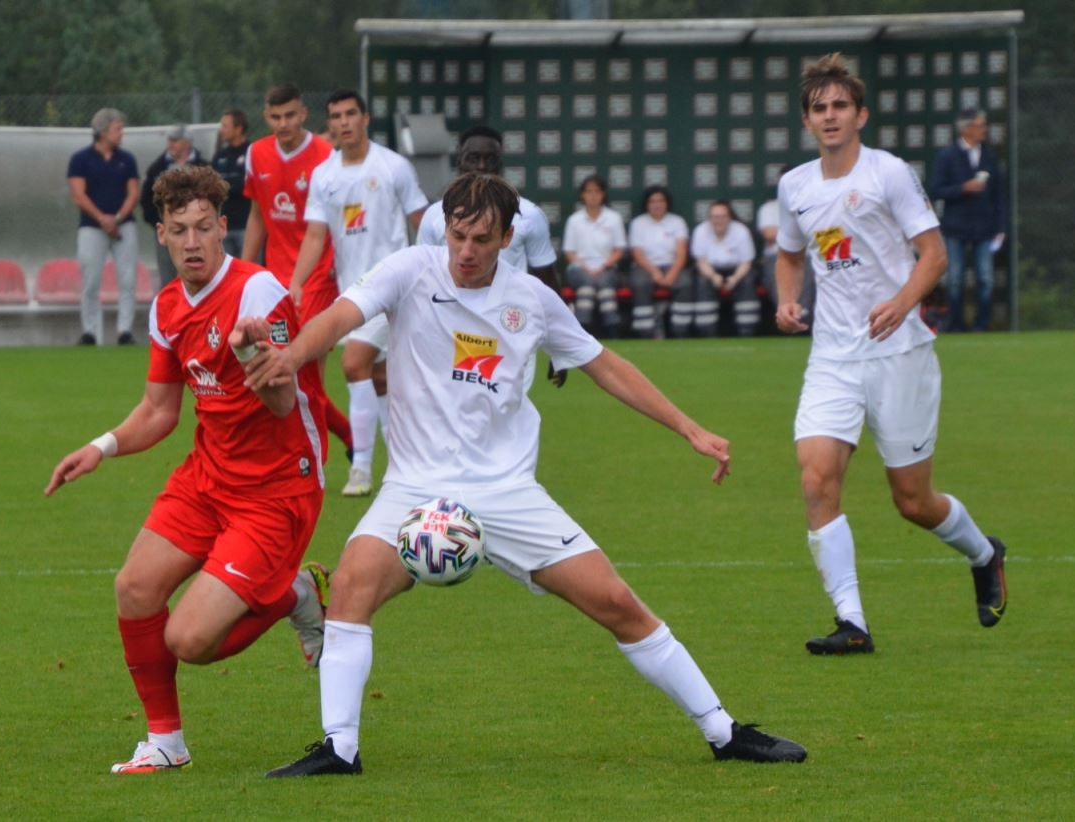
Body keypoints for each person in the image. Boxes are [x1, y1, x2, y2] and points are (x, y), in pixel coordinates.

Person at [246, 173, 807, 776]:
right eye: (458, 235)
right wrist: (291, 356)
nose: (466, 250)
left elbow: (605, 365)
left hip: (507, 490)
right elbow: (339, 317)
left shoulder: (532, 300)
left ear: (507, 238)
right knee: (352, 587)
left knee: (616, 602)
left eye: (481, 239)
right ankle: (339, 748)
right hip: (414, 488)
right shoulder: (410, 269)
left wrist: (689, 428)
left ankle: (723, 731)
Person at [44, 165, 332, 774]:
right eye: (180, 230)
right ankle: (166, 743)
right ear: (162, 234)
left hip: (278, 485)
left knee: (190, 640)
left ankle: (297, 594)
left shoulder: (257, 293)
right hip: (208, 476)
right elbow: (159, 411)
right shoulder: (168, 306)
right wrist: (100, 447)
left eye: (204, 227)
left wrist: (252, 351)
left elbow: (285, 404)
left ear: (224, 227)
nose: (193, 241)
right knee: (134, 588)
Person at [774, 54, 1007, 656]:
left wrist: (903, 303)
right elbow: (790, 254)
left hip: (900, 353)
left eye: (840, 106)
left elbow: (935, 254)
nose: (830, 116)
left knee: (912, 501)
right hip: (832, 357)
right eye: (819, 108)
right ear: (807, 121)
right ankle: (852, 623)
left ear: (861, 115)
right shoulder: (795, 186)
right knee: (815, 478)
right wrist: (787, 300)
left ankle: (984, 553)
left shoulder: (890, 174)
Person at [292, 90, 428, 498]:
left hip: (396, 287)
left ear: (365, 118)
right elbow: (314, 236)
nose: (344, 122)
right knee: (381, 379)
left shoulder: (393, 167)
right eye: (336, 116)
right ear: (329, 123)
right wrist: (296, 282)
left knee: (353, 364)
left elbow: (422, 221)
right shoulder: (324, 175)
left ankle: (361, 467)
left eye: (351, 113)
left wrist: (433, 270)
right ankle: (406, 466)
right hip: (354, 291)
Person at [241, 83, 355, 458]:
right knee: (280, 374)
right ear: (266, 117)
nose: (283, 123)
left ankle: (318, 458)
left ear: (303, 114)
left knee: (306, 377)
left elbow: (330, 226)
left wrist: (321, 273)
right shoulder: (256, 154)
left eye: (290, 115)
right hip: (275, 284)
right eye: (276, 117)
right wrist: (245, 269)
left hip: (317, 280)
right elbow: (258, 215)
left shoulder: (325, 157)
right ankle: (349, 439)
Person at [415, 125, 566, 384]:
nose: (482, 166)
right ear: (460, 161)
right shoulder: (434, 216)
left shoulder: (528, 215)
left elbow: (547, 281)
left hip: (510, 326)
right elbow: (422, 277)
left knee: (507, 404)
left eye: (490, 159)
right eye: (474, 158)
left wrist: (559, 348)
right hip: (449, 326)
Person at [67, 108, 142, 346]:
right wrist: (102, 219)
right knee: (90, 281)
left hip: (124, 227)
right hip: (91, 227)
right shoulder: (80, 159)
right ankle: (90, 332)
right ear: (102, 131)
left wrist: (117, 219)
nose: (121, 133)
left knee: (128, 279)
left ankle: (124, 331)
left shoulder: (127, 159)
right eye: (117, 129)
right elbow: (79, 195)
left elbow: (133, 193)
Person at [929, 107, 1008, 333]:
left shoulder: (989, 156)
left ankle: (982, 324)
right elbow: (936, 190)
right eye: (980, 125)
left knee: (985, 278)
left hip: (985, 227)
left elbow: (1000, 195)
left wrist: (1001, 227)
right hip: (956, 226)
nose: (984, 130)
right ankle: (956, 324)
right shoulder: (947, 156)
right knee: (955, 278)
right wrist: (963, 188)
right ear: (966, 128)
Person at [562, 174, 627, 336]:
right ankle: (582, 328)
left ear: (603, 194)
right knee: (587, 282)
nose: (593, 196)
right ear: (582, 195)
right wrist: (586, 269)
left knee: (604, 282)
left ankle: (612, 328)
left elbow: (619, 250)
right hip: (579, 269)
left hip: (608, 267)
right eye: (589, 191)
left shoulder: (613, 218)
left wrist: (603, 266)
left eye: (597, 191)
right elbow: (569, 252)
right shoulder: (574, 220)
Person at [140, 125, 204, 288]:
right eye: (169, 140)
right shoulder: (158, 168)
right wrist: (157, 221)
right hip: (168, 229)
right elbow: (146, 197)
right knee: (167, 276)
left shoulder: (202, 166)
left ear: (187, 142)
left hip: (196, 230)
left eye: (175, 140)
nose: (171, 144)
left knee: (197, 272)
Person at [691, 200, 759, 337]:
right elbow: (701, 262)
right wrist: (713, 276)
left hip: (737, 270)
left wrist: (734, 279)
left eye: (722, 216)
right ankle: (707, 332)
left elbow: (746, 262)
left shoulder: (741, 230)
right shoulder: (701, 231)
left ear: (729, 217)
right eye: (715, 217)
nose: (718, 220)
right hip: (710, 270)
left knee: (747, 281)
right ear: (709, 218)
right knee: (703, 281)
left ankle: (747, 331)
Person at [628, 186, 689, 339]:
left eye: (661, 201)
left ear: (667, 203)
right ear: (647, 204)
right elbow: (637, 253)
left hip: (672, 265)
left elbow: (681, 252)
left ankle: (680, 331)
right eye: (652, 201)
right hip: (645, 267)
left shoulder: (677, 222)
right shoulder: (638, 223)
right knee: (640, 282)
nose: (657, 204)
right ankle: (646, 332)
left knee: (685, 282)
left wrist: (672, 274)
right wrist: (655, 272)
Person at [758, 164, 814, 331]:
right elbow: (769, 234)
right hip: (777, 255)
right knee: (781, 260)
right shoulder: (769, 208)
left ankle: (804, 315)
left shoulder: (814, 203)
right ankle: (786, 314)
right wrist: (800, 231)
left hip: (812, 255)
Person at [211, 108, 252, 258]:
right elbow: (212, 184)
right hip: (224, 226)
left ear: (238, 128)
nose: (222, 130)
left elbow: (247, 185)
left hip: (246, 225)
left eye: (225, 126)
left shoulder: (252, 152)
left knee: (248, 267)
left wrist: (225, 184)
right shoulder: (220, 155)